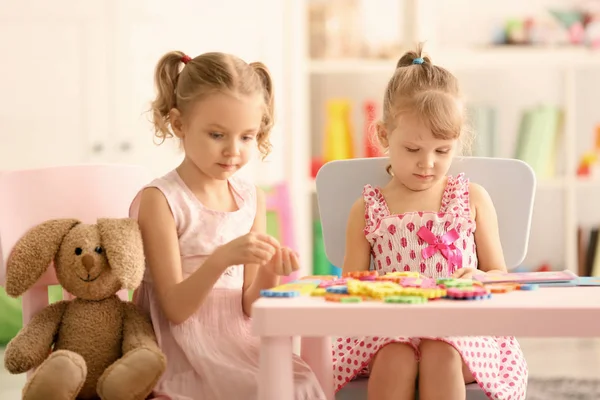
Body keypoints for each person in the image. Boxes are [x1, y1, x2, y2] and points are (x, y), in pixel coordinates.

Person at [129, 51, 326, 400]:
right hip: (180, 347)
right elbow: (174, 308)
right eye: (217, 135)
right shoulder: (161, 200)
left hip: (236, 340)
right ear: (179, 124)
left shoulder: (251, 198)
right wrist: (221, 258)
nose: (232, 151)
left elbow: (250, 305)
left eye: (247, 137)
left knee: (298, 385)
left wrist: (271, 273)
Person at [334, 45, 528, 400]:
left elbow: (500, 274)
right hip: (391, 331)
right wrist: (378, 288)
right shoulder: (368, 208)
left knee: (441, 352)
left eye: (442, 151)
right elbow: (351, 288)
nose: (428, 164)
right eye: (412, 150)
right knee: (396, 358)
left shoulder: (471, 197)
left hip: (464, 331)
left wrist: (481, 278)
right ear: (382, 136)